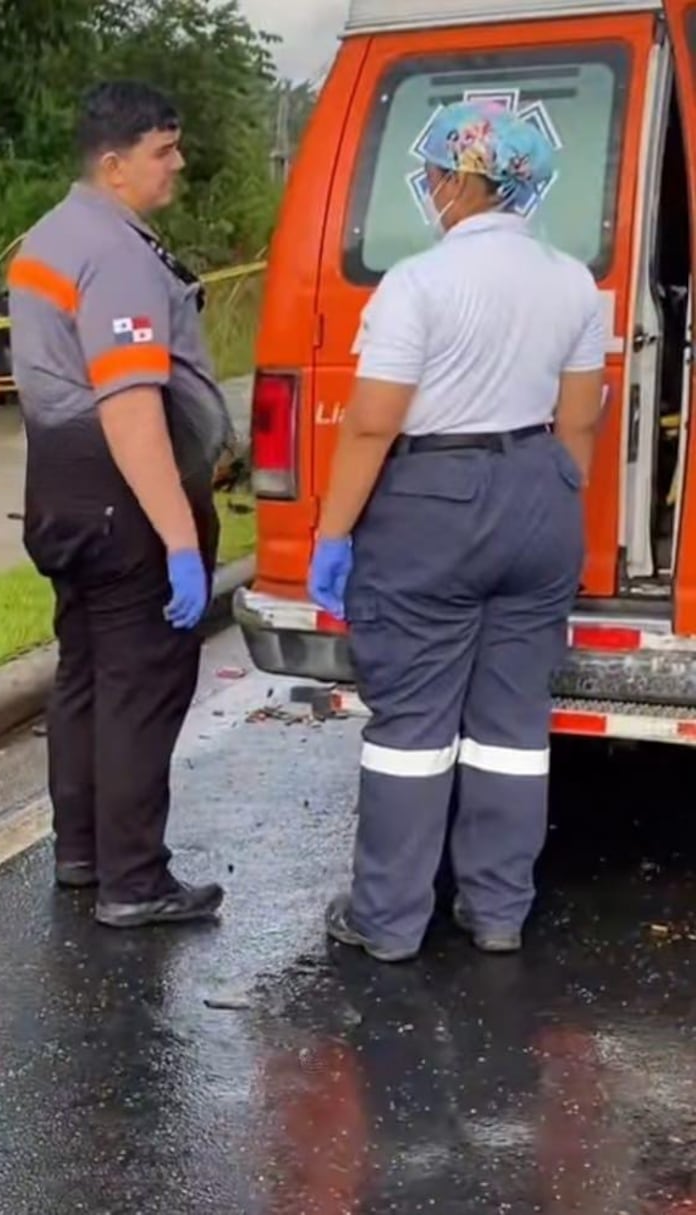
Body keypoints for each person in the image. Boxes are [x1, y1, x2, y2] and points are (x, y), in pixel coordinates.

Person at [308, 101, 607, 962]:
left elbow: (372, 424)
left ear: (457, 181)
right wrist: (546, 496)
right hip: (539, 490)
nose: (432, 187)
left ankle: (390, 922)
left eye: (436, 173)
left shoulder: (419, 283)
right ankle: (499, 912)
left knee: (413, 727)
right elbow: (578, 422)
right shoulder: (571, 281)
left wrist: (335, 535)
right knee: (514, 727)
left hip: (433, 502)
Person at [7, 81, 234, 928]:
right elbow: (133, 408)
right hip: (124, 496)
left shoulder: (48, 238)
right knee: (140, 684)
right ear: (113, 165)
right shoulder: (118, 255)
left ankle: (83, 853)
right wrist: (179, 535)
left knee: (86, 676)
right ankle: (135, 881)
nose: (177, 164)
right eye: (162, 151)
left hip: (58, 490)